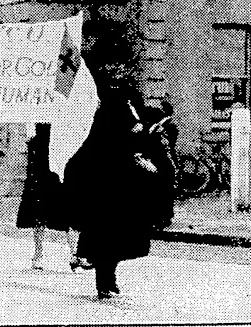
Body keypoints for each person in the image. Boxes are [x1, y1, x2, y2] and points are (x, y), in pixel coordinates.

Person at [64, 83, 174, 299]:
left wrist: (140, 155)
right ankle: (104, 282)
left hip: (121, 189)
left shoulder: (121, 114)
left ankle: (107, 278)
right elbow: (115, 147)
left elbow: (133, 143)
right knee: (107, 238)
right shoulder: (110, 119)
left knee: (114, 238)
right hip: (109, 190)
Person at [15, 123, 91, 272]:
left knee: (69, 204)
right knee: (39, 206)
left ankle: (75, 254)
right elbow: (30, 127)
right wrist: (30, 134)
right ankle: (38, 254)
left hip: (63, 148)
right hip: (41, 154)